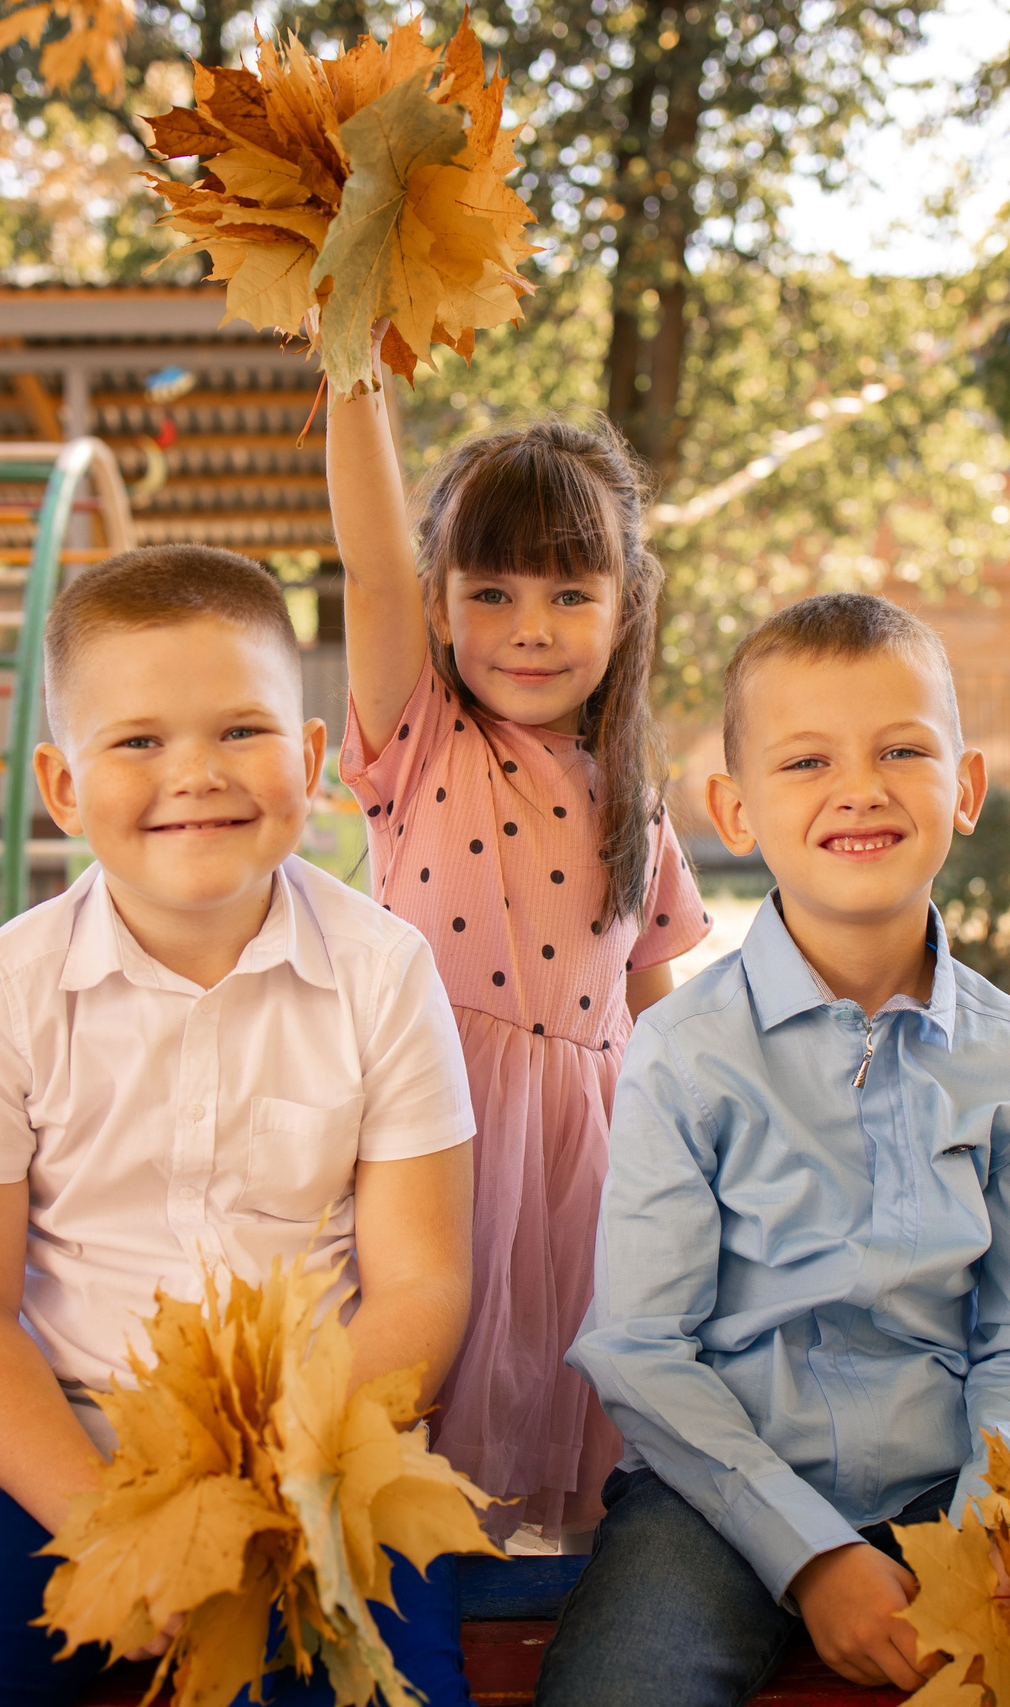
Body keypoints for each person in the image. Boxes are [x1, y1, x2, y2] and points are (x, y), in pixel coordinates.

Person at [0, 546, 482, 1707]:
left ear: (309, 761)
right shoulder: (4, 992)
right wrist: (109, 1527)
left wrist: (268, 1499)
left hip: (316, 1463)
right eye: (138, 742)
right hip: (63, 1457)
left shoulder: (384, 971)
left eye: (240, 731)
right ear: (63, 787)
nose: (196, 775)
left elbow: (421, 1290)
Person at [541, 593, 1010, 1706]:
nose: (860, 787)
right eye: (807, 762)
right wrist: (813, 1555)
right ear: (733, 811)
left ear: (965, 788)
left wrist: (989, 1528)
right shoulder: (683, 1054)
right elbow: (642, 1350)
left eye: (902, 749)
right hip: (715, 1489)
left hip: (954, 1486)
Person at [328, 386, 711, 1541]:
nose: (529, 625)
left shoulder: (634, 804)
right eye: (489, 591)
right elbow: (370, 565)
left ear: (624, 606)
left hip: (589, 1173)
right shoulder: (420, 742)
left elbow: (658, 1014)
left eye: (567, 593)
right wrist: (353, 375)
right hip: (433, 1154)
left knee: (598, 1471)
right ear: (438, 606)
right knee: (429, 1474)